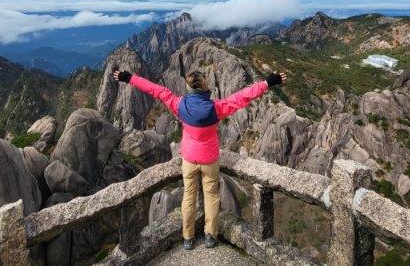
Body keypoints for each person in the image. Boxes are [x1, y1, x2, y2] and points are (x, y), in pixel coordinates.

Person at [113, 68, 287, 250]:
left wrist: (129, 77)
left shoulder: (178, 104)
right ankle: (210, 236)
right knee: (212, 196)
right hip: (210, 160)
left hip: (189, 159)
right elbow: (242, 97)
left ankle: (188, 238)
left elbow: (154, 89)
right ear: (205, 87)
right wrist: (268, 82)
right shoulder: (216, 109)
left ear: (188, 88)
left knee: (188, 197)